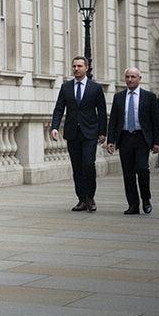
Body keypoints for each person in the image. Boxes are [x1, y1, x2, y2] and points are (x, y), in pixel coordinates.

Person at [50, 56, 107, 212]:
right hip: (72, 133)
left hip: (90, 133)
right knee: (77, 167)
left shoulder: (95, 88)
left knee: (88, 164)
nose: (76, 69)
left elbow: (102, 111)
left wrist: (103, 132)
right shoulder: (66, 87)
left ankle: (90, 197)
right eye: (74, 66)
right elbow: (59, 108)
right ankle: (81, 199)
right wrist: (54, 127)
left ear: (86, 68)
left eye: (80, 66)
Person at [107, 67, 159, 215]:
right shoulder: (118, 97)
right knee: (128, 173)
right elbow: (113, 120)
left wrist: (157, 142)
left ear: (139, 79)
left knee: (142, 169)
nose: (130, 80)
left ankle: (146, 198)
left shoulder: (149, 97)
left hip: (142, 138)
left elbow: (156, 121)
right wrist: (111, 140)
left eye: (133, 77)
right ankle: (133, 204)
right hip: (125, 138)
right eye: (127, 77)